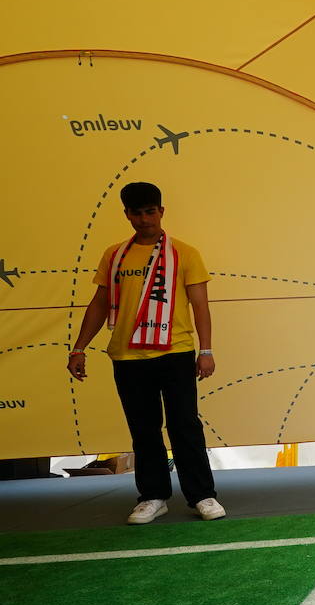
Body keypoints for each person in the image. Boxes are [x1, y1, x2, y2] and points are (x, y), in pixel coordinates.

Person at [67, 182, 222, 525]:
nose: (144, 219)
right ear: (127, 215)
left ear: (161, 212)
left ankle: (202, 495)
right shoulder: (114, 255)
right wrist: (78, 347)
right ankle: (153, 496)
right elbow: (100, 302)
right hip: (126, 355)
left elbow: (200, 305)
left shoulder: (185, 253)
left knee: (185, 425)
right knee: (143, 428)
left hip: (176, 351)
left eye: (150, 211)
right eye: (136, 213)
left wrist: (206, 351)